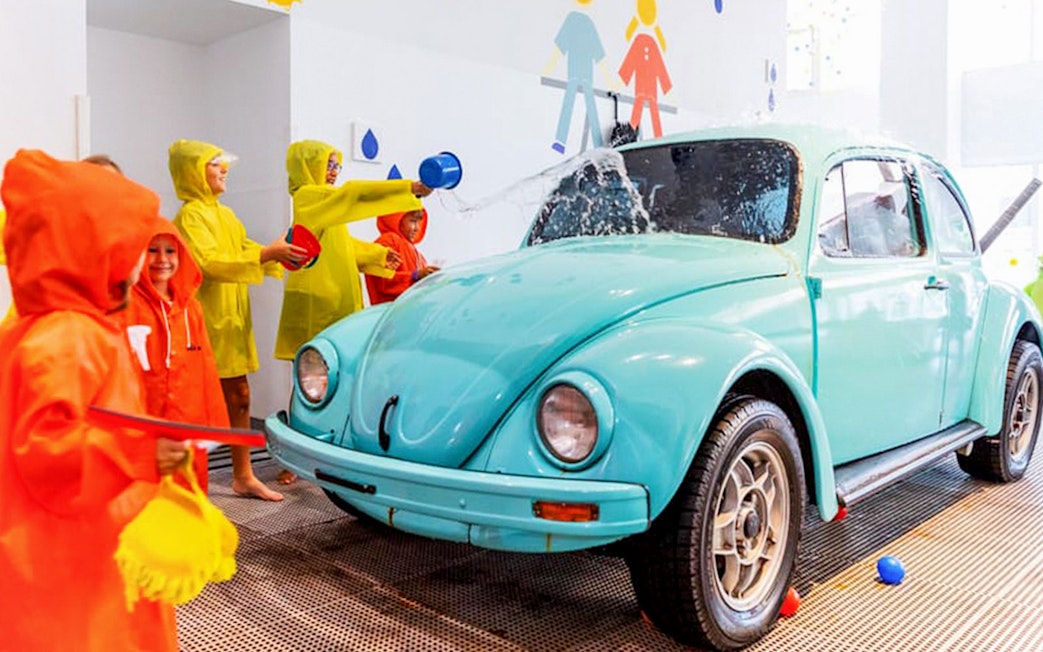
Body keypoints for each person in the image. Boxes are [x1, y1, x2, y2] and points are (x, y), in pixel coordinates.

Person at [0, 149, 187, 651]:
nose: (138, 264)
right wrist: (138, 454)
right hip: (75, 560)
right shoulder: (68, 336)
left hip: (86, 543)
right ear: (89, 250)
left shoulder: (61, 326)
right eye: (128, 248)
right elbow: (47, 449)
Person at [169, 139, 306, 501]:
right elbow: (208, 262)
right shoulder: (189, 217)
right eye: (215, 164)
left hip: (231, 319)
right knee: (196, 405)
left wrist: (279, 254)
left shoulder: (225, 215)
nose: (224, 170)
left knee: (240, 396)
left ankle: (242, 476)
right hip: (203, 320)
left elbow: (243, 249)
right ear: (192, 172)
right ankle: (183, 483)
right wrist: (267, 253)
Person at [273, 139, 430, 359]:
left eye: (337, 166)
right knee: (314, 371)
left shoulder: (325, 205)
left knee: (332, 367)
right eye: (328, 165)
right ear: (308, 165)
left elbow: (341, 245)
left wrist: (377, 255)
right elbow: (353, 194)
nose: (334, 172)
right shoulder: (307, 196)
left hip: (334, 294)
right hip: (317, 299)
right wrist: (407, 189)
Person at [120, 218, 230, 493]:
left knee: (188, 492)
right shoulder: (127, 306)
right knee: (145, 496)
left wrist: (215, 425)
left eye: (170, 251)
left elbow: (206, 368)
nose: (162, 259)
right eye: (152, 250)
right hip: (145, 422)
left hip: (187, 422)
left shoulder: (191, 308)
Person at [365, 208, 440, 305]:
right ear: (396, 219)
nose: (417, 228)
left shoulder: (420, 257)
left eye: (418, 222)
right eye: (413, 221)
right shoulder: (388, 241)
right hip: (390, 313)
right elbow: (383, 281)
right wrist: (414, 276)